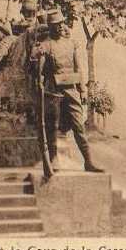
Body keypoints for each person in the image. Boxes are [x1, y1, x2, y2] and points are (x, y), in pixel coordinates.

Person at [36, 9, 104, 173]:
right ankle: (54, 159)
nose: (59, 27)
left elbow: (78, 67)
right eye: (55, 25)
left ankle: (88, 161)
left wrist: (82, 89)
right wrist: (39, 80)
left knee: (78, 126)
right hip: (53, 91)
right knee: (52, 127)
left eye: (61, 23)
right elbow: (39, 70)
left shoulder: (71, 43)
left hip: (71, 90)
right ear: (50, 27)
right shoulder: (46, 45)